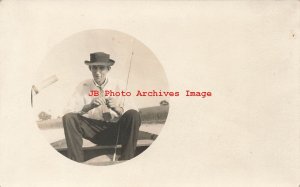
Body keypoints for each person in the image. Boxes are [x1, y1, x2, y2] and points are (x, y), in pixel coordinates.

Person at [62, 52, 141, 163]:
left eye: (101, 68)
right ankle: (77, 162)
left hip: (116, 130)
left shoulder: (120, 85)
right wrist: (88, 106)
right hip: (94, 132)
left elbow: (134, 111)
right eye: (94, 67)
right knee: (69, 118)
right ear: (90, 68)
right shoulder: (83, 85)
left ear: (108, 69)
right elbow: (68, 111)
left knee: (133, 114)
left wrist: (117, 108)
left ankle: (126, 159)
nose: (97, 72)